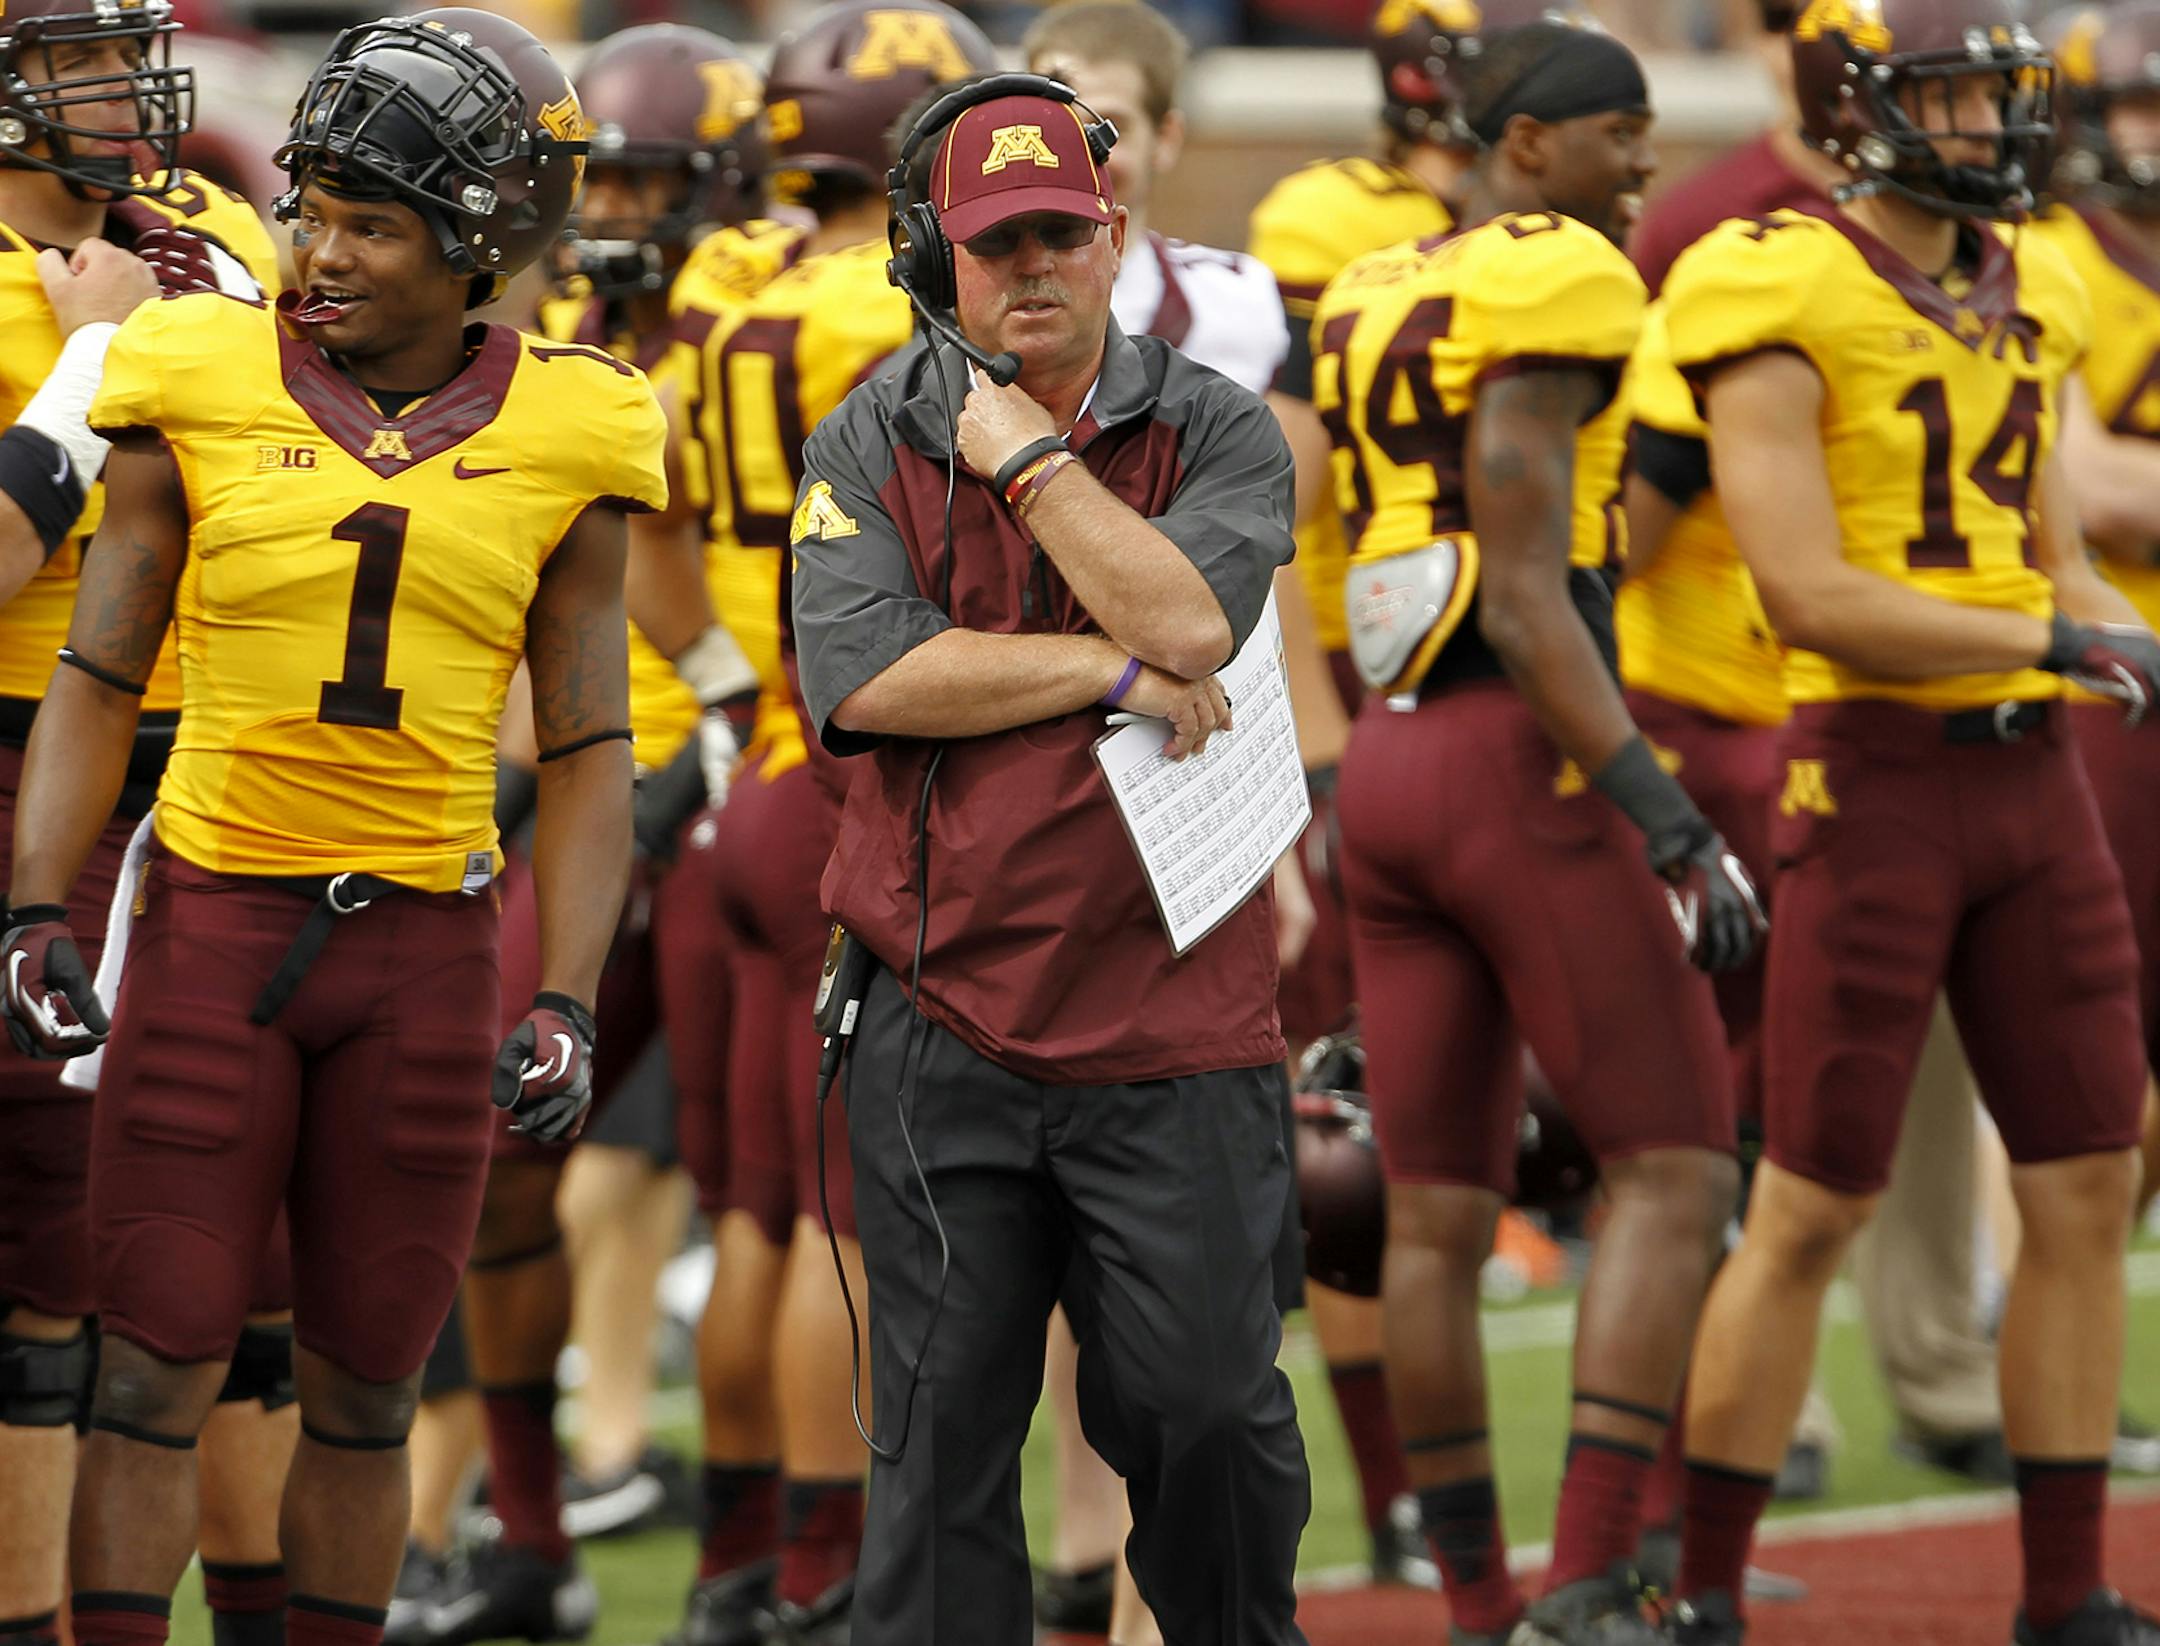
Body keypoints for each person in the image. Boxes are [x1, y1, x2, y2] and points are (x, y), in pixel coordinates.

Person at [0, 13, 665, 1646]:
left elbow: (587, 745)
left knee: (366, 1380)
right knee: (151, 1359)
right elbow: (98, 665)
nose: (319, 252)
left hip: (430, 941)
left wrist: (567, 992)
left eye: (371, 220)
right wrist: (32, 905)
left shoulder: (580, 420)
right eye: (313, 208)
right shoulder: (200, 364)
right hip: (216, 916)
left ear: (484, 238)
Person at [1661, 1, 2160, 1640]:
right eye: (1954, 93)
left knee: (2089, 1178)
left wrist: (2102, 629)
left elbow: (2050, 549)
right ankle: (1709, 1593)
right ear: (1856, 103)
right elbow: (1808, 590)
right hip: (1874, 778)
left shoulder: (2018, 280)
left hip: (2034, 789)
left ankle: (2066, 1589)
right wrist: (2055, 633)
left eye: (1997, 93)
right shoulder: (1776, 272)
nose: (1994, 124)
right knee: (1811, 1196)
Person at [789, 76, 1307, 1646]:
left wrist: (1027, 468)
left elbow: (1191, 624)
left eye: (1058, 236)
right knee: (940, 1457)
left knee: (1211, 1415)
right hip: (939, 1020)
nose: (1031, 269)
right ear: (936, 258)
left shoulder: (1217, 419)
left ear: (1115, 236)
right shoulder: (867, 426)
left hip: (1176, 1026)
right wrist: (1096, 671)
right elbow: (866, 680)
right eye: (995, 241)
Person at [1317, 20, 1765, 1643]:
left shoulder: (1377, 281)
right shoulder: (1556, 279)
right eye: (1617, 133)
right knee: (1676, 1166)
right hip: (1523, 750)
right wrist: (1663, 816)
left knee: (1430, 1212)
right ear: (1522, 148)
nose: (1643, 161)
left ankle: (1482, 1600)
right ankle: (1587, 1578)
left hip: (1391, 761)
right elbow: (1523, 586)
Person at [1020, 9, 1423, 1634]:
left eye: (1106, 117)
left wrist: (1299, 801)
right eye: (1049, 113)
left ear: (1170, 138)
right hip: (1023, 778)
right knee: (1032, 1174)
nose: (1078, 147)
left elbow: (1278, 594)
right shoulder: (956, 304)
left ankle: (1148, 1564)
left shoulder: (1243, 311)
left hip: (1203, 766)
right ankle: (1078, 1515)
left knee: (1201, 1187)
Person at [387, 24, 765, 1642]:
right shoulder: (553, 343)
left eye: (667, 178)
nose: (631, 210)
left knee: (778, 1193)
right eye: (607, 177)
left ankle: (779, 1556)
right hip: (605, 795)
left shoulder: (778, 320)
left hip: (777, 783)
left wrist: (742, 706)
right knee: (502, 1163)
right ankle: (532, 1539)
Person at [1622, 0, 2012, 1527]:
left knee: (1930, 1069)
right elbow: (1651, 484)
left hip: (1918, 698)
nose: (1983, 121)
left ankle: (1944, 1368)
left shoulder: (1999, 245)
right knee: (1744, 1079)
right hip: (1732, 686)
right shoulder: (1722, 225)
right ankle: (1749, 1419)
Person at [653, 6, 997, 1644]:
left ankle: (737, 1563)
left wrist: (726, 697)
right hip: (851, 787)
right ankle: (814, 1568)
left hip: (755, 786)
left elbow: (647, 538)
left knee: (744, 1214)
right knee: (836, 1221)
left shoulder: (727, 292)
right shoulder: (886, 328)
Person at [0, 4, 292, 1642]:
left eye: (126, 57)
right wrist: (97, 365)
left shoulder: (220, 241)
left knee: (232, 1255)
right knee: (47, 1259)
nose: (123, 93)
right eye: (77, 63)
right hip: (35, 758)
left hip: (227, 764)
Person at [2039, 0, 2160, 1235]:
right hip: (2115, 684)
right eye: (2143, 102)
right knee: (2107, 1031)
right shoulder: (2053, 257)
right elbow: (2094, 487)